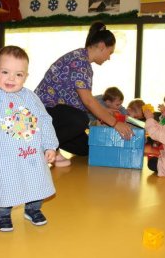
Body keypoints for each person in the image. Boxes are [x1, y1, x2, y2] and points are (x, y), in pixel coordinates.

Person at [0, 46, 58, 232]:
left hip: (30, 155)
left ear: (26, 77)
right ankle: (3, 214)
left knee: (36, 180)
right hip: (4, 157)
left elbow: (45, 120)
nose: (11, 78)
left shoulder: (31, 98)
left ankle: (33, 209)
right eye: (5, 72)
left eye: (18, 74)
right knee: (3, 184)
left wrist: (49, 146)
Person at [35, 22, 133, 166]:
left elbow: (81, 100)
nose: (109, 57)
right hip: (44, 111)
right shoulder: (80, 62)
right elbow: (88, 101)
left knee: (85, 148)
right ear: (101, 46)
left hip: (57, 114)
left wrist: (105, 111)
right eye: (109, 52)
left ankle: (51, 142)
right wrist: (115, 124)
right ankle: (44, 147)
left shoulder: (83, 60)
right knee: (80, 120)